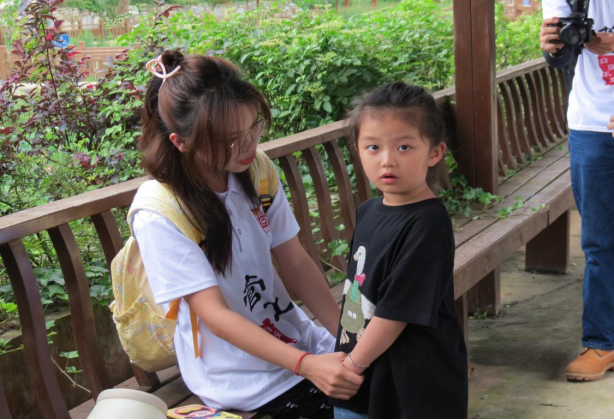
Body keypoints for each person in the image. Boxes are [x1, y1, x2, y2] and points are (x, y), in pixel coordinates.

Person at [134, 50, 364, 419]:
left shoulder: (256, 171)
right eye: (229, 139)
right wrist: (308, 365)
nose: (249, 146)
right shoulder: (160, 212)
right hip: (236, 375)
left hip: (294, 340)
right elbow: (215, 316)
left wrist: (349, 339)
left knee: (394, 384)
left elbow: (294, 260)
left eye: (253, 128)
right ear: (181, 142)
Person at [330, 82, 468, 419]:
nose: (387, 160)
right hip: (362, 374)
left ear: (434, 153)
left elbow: (396, 313)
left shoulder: (428, 224)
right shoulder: (369, 211)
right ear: (358, 150)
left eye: (404, 147)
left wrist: (351, 366)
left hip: (408, 385)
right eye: (373, 147)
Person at [541, 0, 614, 382]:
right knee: (599, 241)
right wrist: (554, 48)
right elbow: (561, 56)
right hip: (591, 127)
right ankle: (602, 342)